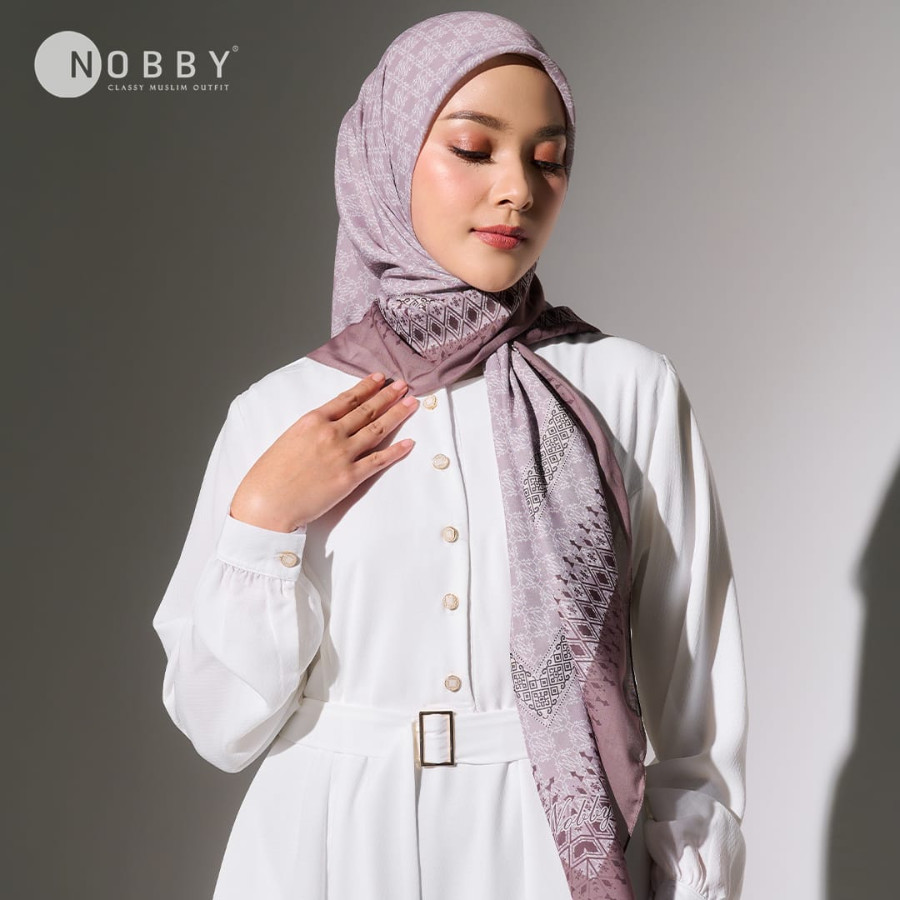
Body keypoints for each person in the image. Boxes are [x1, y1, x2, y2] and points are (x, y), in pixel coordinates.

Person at [152, 11, 747, 900]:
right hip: (326, 839)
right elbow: (219, 727)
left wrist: (692, 865)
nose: (518, 189)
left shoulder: (626, 388)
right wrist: (263, 522)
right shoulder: (281, 410)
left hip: (547, 840)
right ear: (386, 157)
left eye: (550, 160)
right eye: (474, 149)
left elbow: (697, 689)